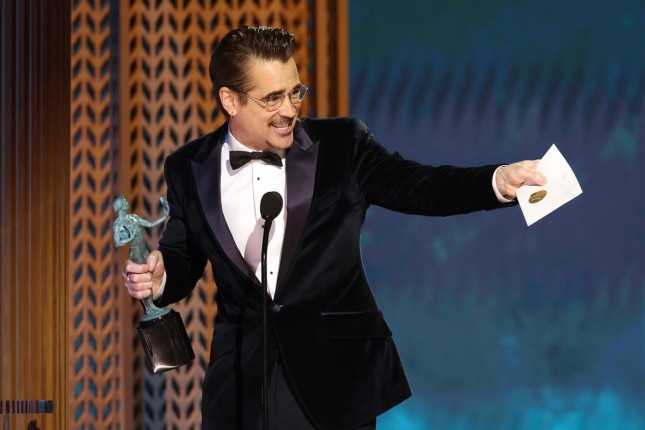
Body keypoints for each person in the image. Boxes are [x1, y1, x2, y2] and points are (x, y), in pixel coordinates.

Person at [122, 26, 546, 430]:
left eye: (295, 92)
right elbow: (183, 253)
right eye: (272, 99)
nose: (289, 110)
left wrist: (496, 181)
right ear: (230, 101)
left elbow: (419, 186)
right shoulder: (188, 166)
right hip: (243, 385)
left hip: (337, 378)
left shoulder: (343, 144)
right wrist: (162, 277)